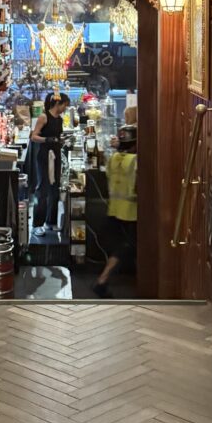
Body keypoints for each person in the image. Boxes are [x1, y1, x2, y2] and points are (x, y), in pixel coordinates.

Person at [93, 123, 138, 298]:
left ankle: (104, 279)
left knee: (121, 246)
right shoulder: (135, 161)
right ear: (134, 144)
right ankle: (102, 280)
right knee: (125, 247)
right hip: (131, 212)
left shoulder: (113, 159)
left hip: (113, 209)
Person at [30, 92, 70, 236]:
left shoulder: (59, 119)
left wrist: (61, 140)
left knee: (55, 187)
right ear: (58, 104)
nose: (65, 108)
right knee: (42, 189)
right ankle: (37, 224)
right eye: (65, 105)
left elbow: (57, 136)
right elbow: (34, 136)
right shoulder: (44, 117)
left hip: (56, 155)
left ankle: (50, 222)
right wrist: (47, 140)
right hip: (44, 156)